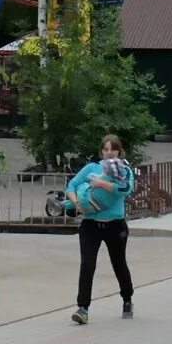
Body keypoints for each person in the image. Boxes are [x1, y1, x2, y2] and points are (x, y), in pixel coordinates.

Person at [67, 134, 134, 325]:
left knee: (118, 263)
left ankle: (127, 298)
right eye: (105, 149)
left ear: (119, 151)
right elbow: (72, 185)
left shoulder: (124, 170)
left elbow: (125, 189)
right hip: (90, 225)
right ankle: (83, 308)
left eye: (112, 149)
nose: (109, 152)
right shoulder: (91, 168)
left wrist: (100, 184)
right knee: (87, 264)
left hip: (115, 224)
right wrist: (75, 201)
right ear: (101, 151)